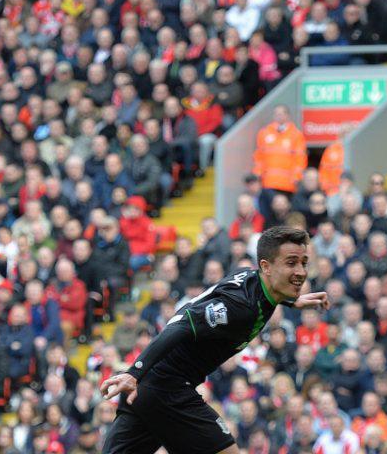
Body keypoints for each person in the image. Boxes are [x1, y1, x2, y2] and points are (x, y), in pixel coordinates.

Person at [100, 226, 330, 453]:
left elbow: (251, 297)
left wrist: (290, 300)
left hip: (148, 388)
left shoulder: (254, 280)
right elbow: (181, 323)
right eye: (291, 263)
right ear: (266, 267)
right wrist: (134, 372)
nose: (301, 271)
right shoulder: (241, 307)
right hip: (167, 386)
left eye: (304, 263)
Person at [252, 105, 308, 196]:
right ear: (273, 116)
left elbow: (300, 158)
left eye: (282, 114)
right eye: (277, 114)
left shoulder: (296, 135)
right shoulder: (264, 133)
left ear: (287, 116)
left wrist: (296, 177)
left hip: (288, 184)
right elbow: (258, 157)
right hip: (267, 182)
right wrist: (258, 175)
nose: (279, 116)